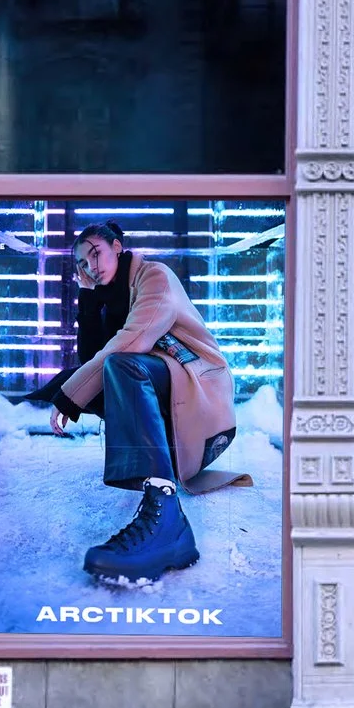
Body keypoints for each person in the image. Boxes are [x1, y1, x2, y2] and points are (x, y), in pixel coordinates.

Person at [24, 221, 247, 585]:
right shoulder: (113, 294)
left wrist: (71, 396)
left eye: (95, 253)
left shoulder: (154, 278)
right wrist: (89, 296)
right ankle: (160, 477)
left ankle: (167, 522)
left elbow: (130, 345)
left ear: (117, 246)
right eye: (80, 263)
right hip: (174, 403)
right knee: (98, 373)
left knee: (120, 365)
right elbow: (93, 357)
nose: (89, 266)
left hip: (202, 403)